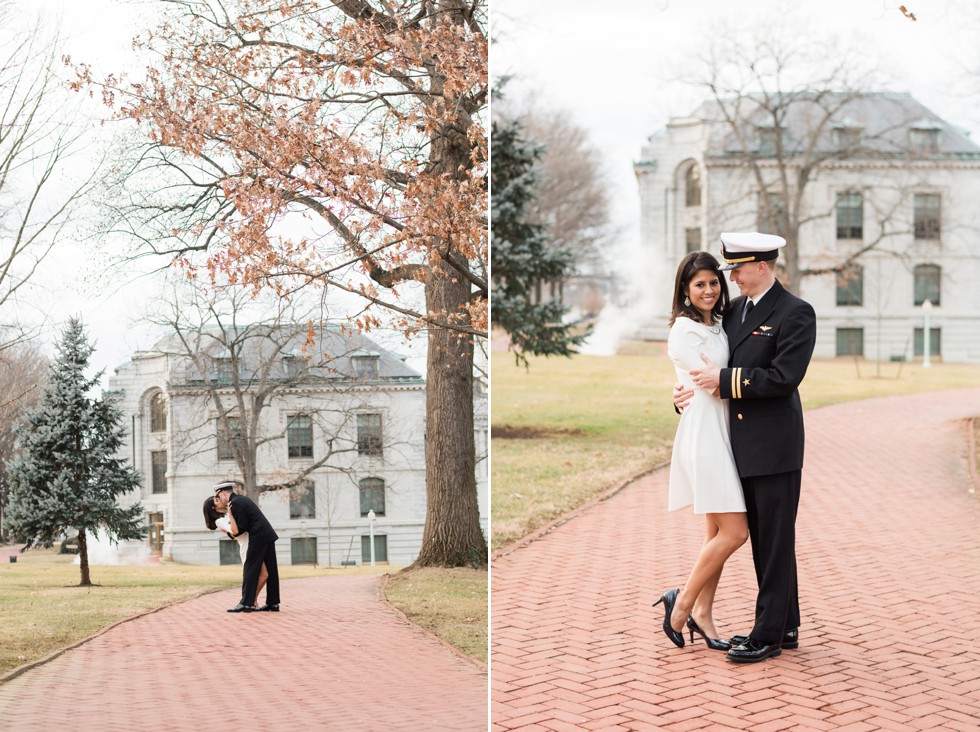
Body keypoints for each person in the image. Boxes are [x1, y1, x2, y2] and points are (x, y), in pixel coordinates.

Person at [676, 231, 816, 663]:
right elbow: (703, 362)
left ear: (760, 266)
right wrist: (684, 394)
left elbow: (783, 377)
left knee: (774, 539)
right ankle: (786, 624)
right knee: (765, 539)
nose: (729, 278)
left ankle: (768, 634)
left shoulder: (795, 312)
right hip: (736, 445)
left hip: (774, 445)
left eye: (735, 269)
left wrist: (723, 383)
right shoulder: (734, 312)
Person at [652, 251, 748, 653]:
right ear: (685, 291)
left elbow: (716, 375)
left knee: (715, 533)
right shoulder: (684, 332)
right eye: (699, 285)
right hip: (705, 437)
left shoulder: (720, 325)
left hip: (724, 432)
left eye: (713, 282)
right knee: (736, 532)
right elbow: (708, 381)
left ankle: (704, 614)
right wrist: (693, 388)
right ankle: (681, 604)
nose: (708, 290)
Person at [213, 481, 281, 613]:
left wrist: (230, 522)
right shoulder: (242, 499)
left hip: (258, 537)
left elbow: (240, 529)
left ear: (224, 493)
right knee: (271, 570)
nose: (219, 499)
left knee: (250, 568)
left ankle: (245, 603)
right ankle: (273, 603)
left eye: (219, 496)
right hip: (267, 534)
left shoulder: (235, 504)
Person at [203, 496, 270, 609]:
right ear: (214, 507)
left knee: (264, 575)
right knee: (260, 575)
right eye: (217, 500)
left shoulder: (226, 515)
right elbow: (234, 531)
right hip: (247, 547)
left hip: (255, 543)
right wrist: (231, 514)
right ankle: (249, 601)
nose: (220, 499)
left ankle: (252, 600)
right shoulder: (219, 521)